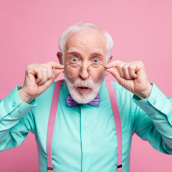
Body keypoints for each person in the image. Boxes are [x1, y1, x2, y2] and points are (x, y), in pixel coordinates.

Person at [0, 22, 172, 172]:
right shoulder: (38, 99)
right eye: (74, 59)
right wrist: (24, 95)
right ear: (61, 60)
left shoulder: (128, 100)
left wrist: (147, 94)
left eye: (95, 60)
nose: (83, 74)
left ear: (108, 62)